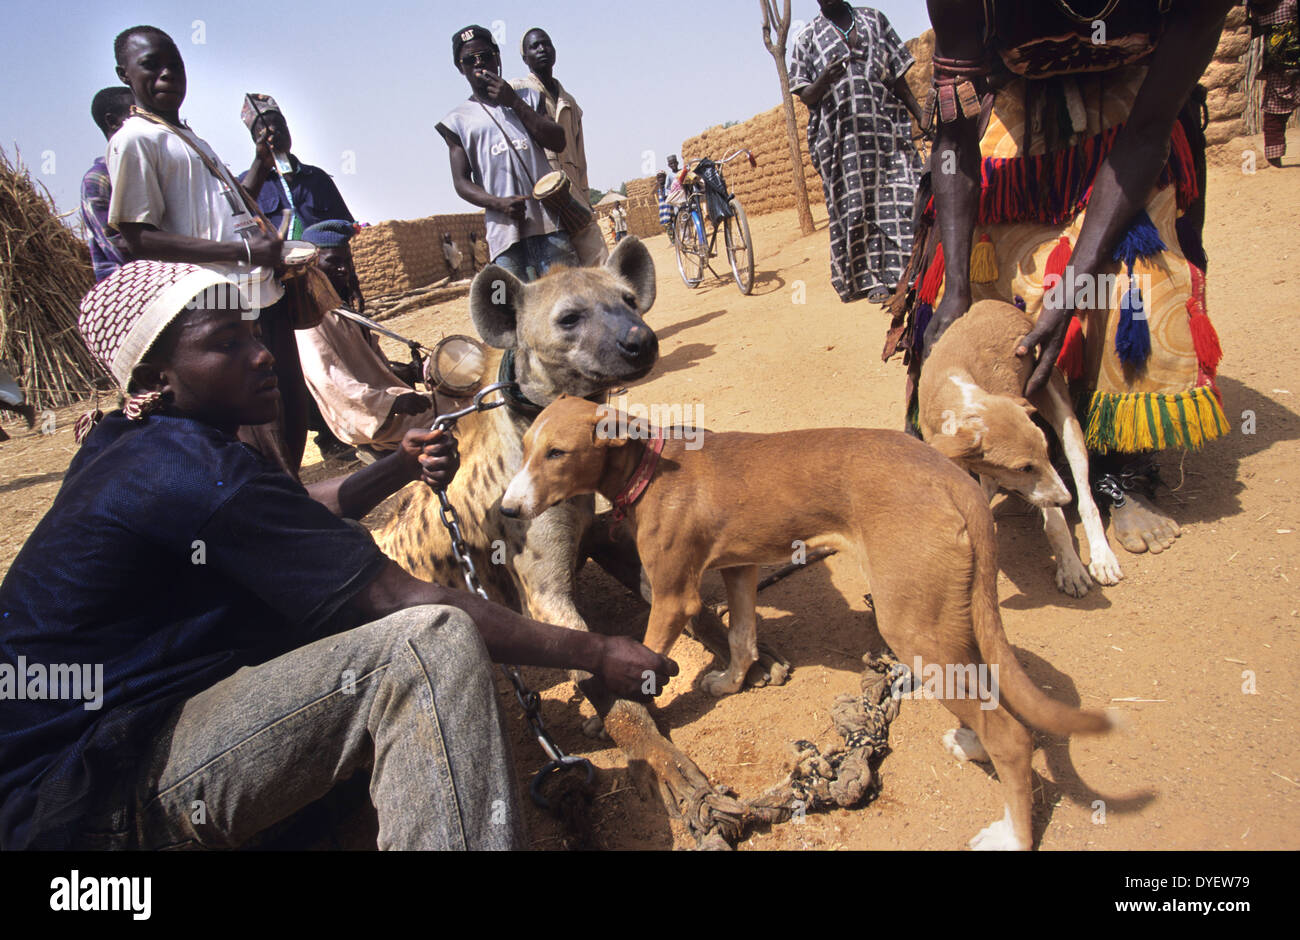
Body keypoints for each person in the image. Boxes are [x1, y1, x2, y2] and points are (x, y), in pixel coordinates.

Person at [0, 259, 676, 851]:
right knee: (427, 644)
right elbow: (401, 598)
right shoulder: (192, 472)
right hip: (83, 792)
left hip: (87, 756)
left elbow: (288, 516)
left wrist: (396, 468)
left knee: (328, 624)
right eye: (226, 344)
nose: (262, 354)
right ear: (158, 374)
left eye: (256, 334)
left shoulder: (138, 439)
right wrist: (596, 652)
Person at [896, 0, 1235, 555]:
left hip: (1133, 117)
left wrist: (1073, 293)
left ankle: (1116, 468)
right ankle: (987, 441)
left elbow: (1149, 130)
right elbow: (955, 141)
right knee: (976, 274)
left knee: (1134, 283)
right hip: (1015, 112)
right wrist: (956, 285)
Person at [105, 25, 308, 479]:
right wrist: (242, 253)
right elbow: (138, 238)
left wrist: (258, 160)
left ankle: (291, 514)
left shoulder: (185, 135)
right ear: (124, 74)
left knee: (288, 415)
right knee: (257, 434)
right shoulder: (136, 139)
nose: (165, 74)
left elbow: (233, 206)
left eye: (173, 63)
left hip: (260, 293)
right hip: (221, 309)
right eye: (150, 65)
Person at [790, 1, 924, 304]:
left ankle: (907, 270)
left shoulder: (874, 19)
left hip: (884, 130)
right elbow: (806, 96)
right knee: (856, 206)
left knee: (904, 194)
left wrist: (919, 114)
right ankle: (871, 278)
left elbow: (897, 77)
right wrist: (824, 78)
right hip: (840, 141)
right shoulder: (807, 37)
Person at [437, 25, 578, 283]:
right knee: (513, 314)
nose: (479, 64)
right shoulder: (456, 121)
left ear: (498, 58)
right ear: (460, 68)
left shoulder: (528, 96)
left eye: (486, 56)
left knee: (570, 301)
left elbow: (557, 140)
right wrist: (498, 203)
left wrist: (513, 101)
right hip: (505, 238)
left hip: (550, 226)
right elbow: (461, 182)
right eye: (470, 60)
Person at [295, 221, 438, 459]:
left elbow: (370, 368)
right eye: (333, 262)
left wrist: (414, 372)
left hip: (382, 402)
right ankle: (380, 449)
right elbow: (332, 381)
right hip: (366, 418)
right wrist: (392, 404)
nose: (344, 270)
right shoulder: (309, 322)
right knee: (462, 413)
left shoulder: (340, 310)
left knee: (464, 397)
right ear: (311, 266)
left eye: (347, 262)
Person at [512, 27, 608, 266]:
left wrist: (586, 201)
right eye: (534, 46)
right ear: (524, 58)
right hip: (543, 209)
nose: (542, 49)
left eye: (546, 44)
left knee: (602, 268)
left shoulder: (570, 103)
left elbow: (580, 158)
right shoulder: (517, 92)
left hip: (575, 200)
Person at [238, 94, 356, 236]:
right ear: (256, 140)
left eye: (281, 128)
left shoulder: (318, 178)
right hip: (275, 257)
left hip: (320, 256)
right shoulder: (247, 184)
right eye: (266, 132)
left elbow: (345, 226)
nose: (276, 136)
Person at [80, 87, 134, 282]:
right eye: (137, 117)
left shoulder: (148, 170)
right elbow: (118, 247)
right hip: (127, 287)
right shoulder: (99, 179)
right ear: (112, 121)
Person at [1249, 0, 1300, 167]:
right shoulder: (1288, 3)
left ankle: (1274, 157)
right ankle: (1273, 157)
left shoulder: (1260, 9)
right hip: (1285, 64)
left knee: (1274, 114)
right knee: (1274, 113)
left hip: (1277, 66)